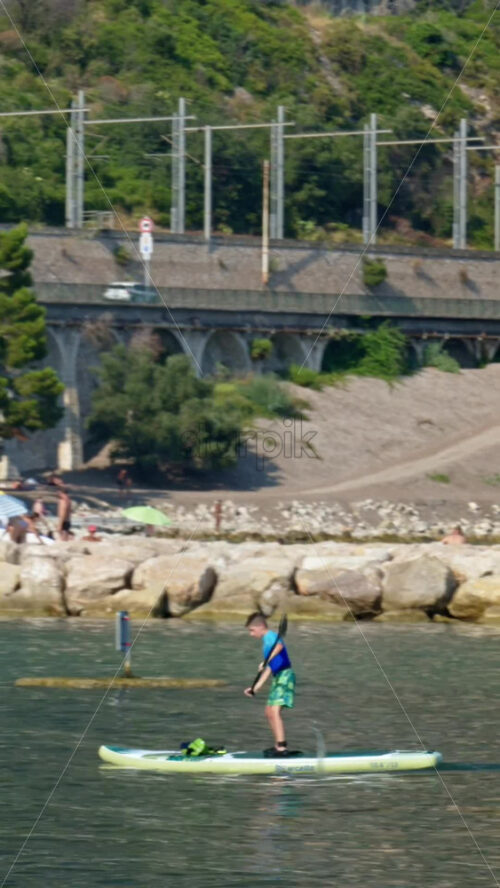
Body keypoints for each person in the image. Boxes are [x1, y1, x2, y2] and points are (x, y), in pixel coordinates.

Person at [244, 612, 295, 757]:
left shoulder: (271, 636)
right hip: (278, 677)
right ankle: (278, 745)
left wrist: (266, 660)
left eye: (252, 630)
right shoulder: (266, 643)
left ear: (261, 626)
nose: (251, 634)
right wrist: (256, 687)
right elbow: (270, 667)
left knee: (274, 711)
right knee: (268, 711)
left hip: (285, 676)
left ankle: (282, 748)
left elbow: (279, 647)